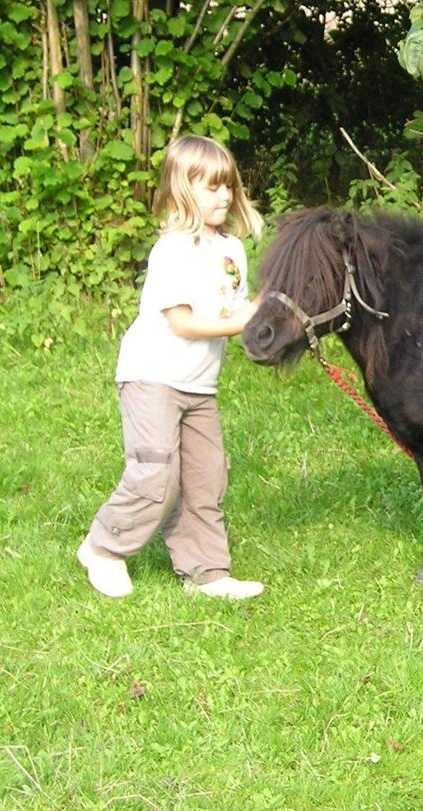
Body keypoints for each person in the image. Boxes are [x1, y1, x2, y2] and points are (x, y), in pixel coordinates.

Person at [77, 135, 266, 600]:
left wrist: (265, 312)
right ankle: (104, 548)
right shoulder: (173, 250)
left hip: (200, 386)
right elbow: (181, 323)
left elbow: (234, 313)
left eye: (229, 186)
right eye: (212, 187)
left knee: (206, 477)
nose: (224, 195)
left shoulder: (232, 251)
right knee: (156, 473)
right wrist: (243, 320)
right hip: (152, 377)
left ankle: (207, 573)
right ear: (183, 189)